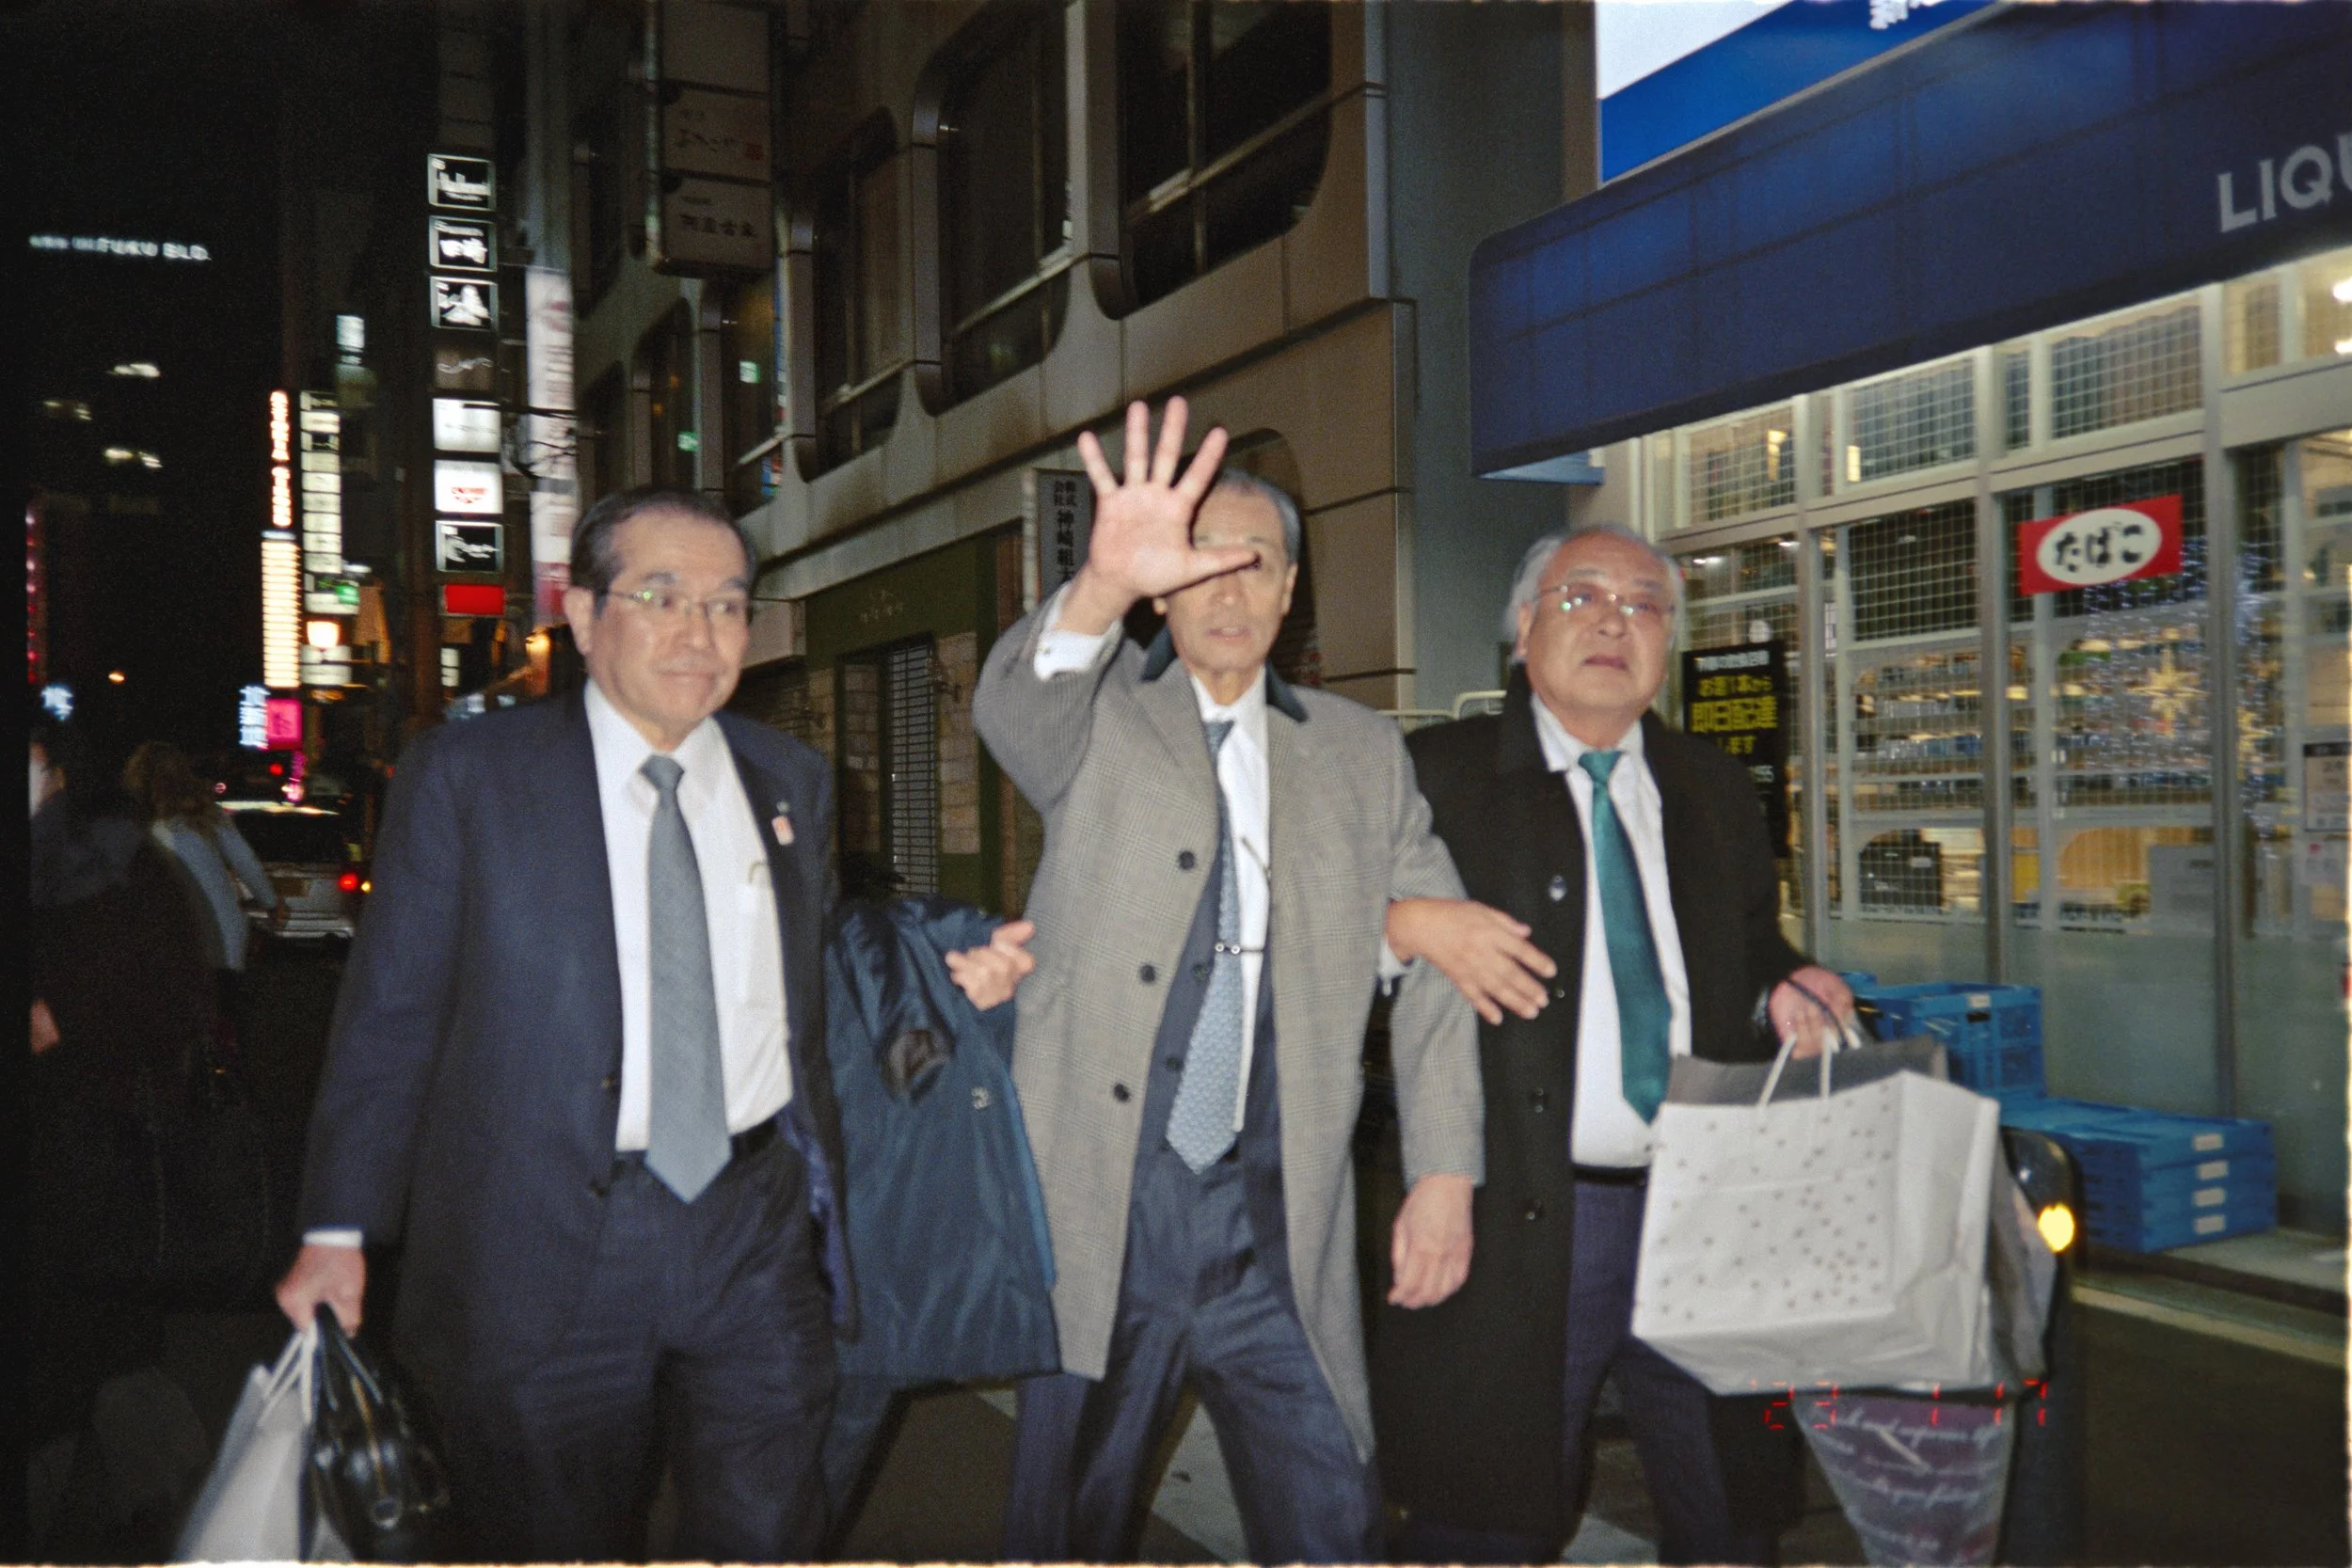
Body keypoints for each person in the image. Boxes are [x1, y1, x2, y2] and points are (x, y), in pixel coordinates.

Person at [275, 488, 1034, 1562]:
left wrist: (952, 970)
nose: (700, 631)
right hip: (543, 1227)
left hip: (754, 1217)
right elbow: (391, 1009)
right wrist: (338, 1226)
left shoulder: (793, 780)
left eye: (728, 605)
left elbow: (810, 967)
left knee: (772, 1521)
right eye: (661, 596)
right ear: (581, 616)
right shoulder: (473, 777)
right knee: (557, 1528)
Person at [973, 399, 1482, 1563]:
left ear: (1291, 591)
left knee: (1334, 1519)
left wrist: (1446, 1168)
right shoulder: (1099, 719)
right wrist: (1095, 587)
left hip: (1278, 1211)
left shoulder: (1360, 753)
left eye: (1257, 565)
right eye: (1200, 562)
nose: (1229, 589)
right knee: (1063, 1524)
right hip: (1112, 1202)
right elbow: (1014, 706)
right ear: (1163, 586)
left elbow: (1446, 952)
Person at [1371, 524, 1856, 1565]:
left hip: (1701, 1199)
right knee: (1485, 1518)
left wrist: (1787, 980)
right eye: (1580, 594)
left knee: (1730, 1510)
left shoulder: (1713, 788)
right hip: (1516, 1211)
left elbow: (1745, 946)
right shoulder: (1431, 776)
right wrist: (1400, 921)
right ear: (1521, 627)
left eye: (1643, 604)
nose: (1612, 619)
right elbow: (1312, 937)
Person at [28, 714, 220, 1557]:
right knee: (100, 1343)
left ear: (59, 774)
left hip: (99, 1137)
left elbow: (167, 991)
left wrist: (64, 1022)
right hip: (68, 1141)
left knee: (84, 1338)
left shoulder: (121, 865)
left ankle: (174, 1511)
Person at [124, 739, 288, 1026]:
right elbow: (245, 860)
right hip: (225, 935)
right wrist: (272, 904)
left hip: (176, 943)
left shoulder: (138, 830)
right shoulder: (207, 816)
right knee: (225, 1016)